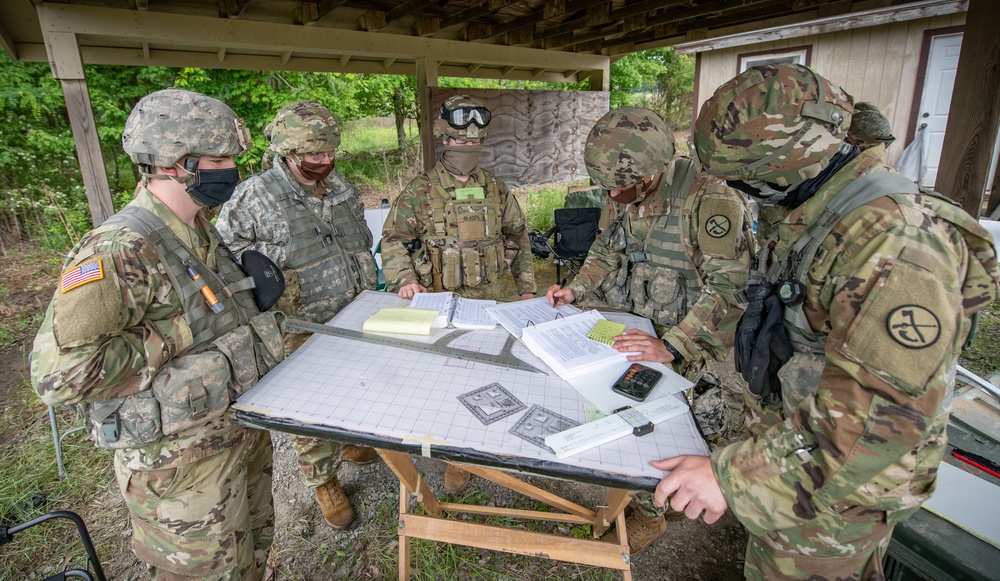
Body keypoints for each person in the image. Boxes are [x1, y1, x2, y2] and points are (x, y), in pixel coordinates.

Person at [653, 63, 1000, 580]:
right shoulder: (819, 208)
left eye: (750, 182)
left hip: (837, 493)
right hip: (797, 462)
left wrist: (732, 479)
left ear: (787, 166)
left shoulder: (894, 246)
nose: (747, 194)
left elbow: (877, 424)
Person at [31, 88, 285, 579]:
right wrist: (180, 330)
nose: (230, 168)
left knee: (253, 555)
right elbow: (59, 375)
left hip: (233, 438)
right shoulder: (119, 248)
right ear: (174, 163)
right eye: (218, 158)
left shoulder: (199, 229)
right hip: (178, 469)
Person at [543, 107, 755, 554]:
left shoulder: (712, 199)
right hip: (636, 325)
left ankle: (652, 513)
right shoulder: (620, 189)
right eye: (609, 186)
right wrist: (575, 291)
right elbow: (607, 249)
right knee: (621, 411)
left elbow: (729, 288)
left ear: (656, 168)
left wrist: (673, 344)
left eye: (623, 186)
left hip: (689, 337)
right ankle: (635, 493)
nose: (615, 194)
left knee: (675, 427)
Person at [216, 100, 379, 530]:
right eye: (314, 155)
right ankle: (323, 480)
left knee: (356, 387)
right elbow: (224, 257)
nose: (325, 162)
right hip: (298, 323)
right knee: (308, 406)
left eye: (330, 153)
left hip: (353, 310)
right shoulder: (254, 195)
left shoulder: (341, 186)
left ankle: (348, 442)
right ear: (288, 152)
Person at [380, 94, 537, 493]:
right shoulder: (419, 192)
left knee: (496, 375)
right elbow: (394, 239)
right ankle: (454, 454)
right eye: (459, 142)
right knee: (447, 381)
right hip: (442, 304)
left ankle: (484, 446)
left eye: (474, 143)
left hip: (493, 303)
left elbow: (519, 237)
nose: (467, 149)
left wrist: (527, 290)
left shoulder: (497, 190)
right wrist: (403, 279)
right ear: (443, 141)